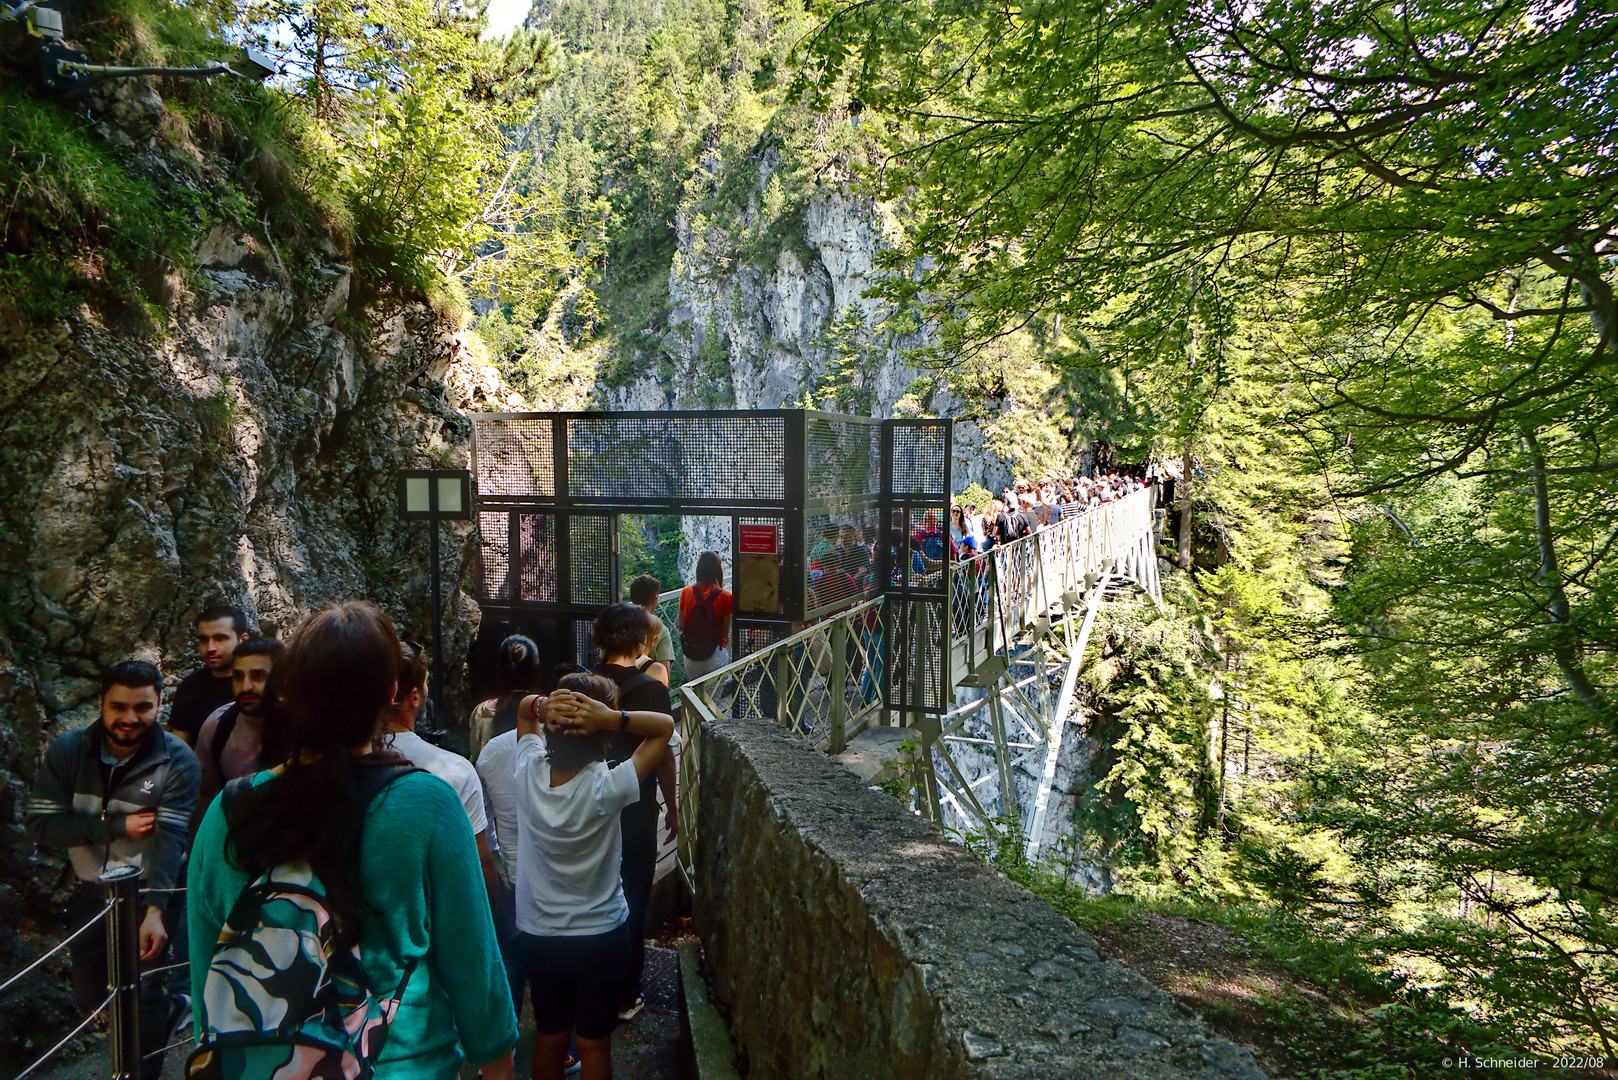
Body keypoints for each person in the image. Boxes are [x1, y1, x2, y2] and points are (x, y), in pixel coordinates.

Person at [187, 601, 517, 1080]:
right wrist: (497, 1060)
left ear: (291, 692)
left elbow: (207, 967)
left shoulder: (229, 812)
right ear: (391, 693)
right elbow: (473, 962)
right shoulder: (426, 804)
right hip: (401, 1064)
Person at [26, 660, 199, 1080]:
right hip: (93, 890)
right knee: (91, 991)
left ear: (159, 703)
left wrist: (157, 912)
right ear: (101, 703)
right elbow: (41, 824)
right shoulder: (68, 752)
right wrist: (115, 827)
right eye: (118, 706)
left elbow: (170, 841)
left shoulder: (178, 761)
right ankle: (172, 1009)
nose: (129, 718)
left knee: (144, 993)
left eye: (142, 707)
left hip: (147, 889)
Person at [510, 673, 675, 1080]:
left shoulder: (526, 771)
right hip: (600, 936)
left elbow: (523, 711)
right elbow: (665, 728)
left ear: (551, 728)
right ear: (603, 737)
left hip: (539, 933)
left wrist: (542, 706)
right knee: (594, 1042)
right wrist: (613, 717)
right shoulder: (608, 785)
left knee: (550, 1036)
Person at [591, 604, 679, 1019]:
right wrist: (674, 807)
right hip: (635, 806)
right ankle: (626, 992)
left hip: (588, 804)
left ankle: (590, 983)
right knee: (633, 893)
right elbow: (662, 758)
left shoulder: (582, 684)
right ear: (644, 642)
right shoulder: (651, 691)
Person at [386, 640, 502, 912]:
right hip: (435, 915)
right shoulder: (455, 770)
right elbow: (481, 865)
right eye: (426, 683)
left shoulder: (340, 764)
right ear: (414, 697)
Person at [193, 638, 286, 818]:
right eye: (238, 677)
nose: (245, 687)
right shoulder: (218, 726)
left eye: (257, 676)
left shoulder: (304, 724)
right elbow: (204, 795)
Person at [166, 604, 251, 746]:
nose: (210, 648)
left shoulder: (259, 685)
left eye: (220, 638)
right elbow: (180, 749)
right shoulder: (190, 687)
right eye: (204, 640)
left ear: (242, 640)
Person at [470, 634, 543, 762]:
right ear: (536, 671)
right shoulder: (546, 713)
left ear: (500, 671)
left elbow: (476, 758)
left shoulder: (482, 712)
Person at [679, 551, 732, 680]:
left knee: (695, 696)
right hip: (715, 654)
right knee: (714, 698)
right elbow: (724, 631)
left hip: (691, 655)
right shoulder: (725, 596)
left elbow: (681, 626)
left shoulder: (686, 591)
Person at [628, 574, 675, 672]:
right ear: (655, 599)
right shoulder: (661, 631)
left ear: (630, 598)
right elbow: (665, 674)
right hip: (646, 685)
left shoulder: (615, 625)